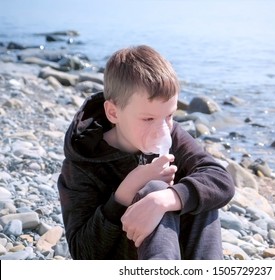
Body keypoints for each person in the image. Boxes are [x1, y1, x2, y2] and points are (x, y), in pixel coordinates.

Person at [57, 45, 235, 260]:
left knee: (198, 193)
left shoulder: (171, 133)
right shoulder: (83, 161)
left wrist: (166, 199)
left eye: (169, 115)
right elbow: (83, 253)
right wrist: (125, 194)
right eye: (148, 119)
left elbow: (221, 179)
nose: (162, 129)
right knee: (154, 188)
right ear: (113, 112)